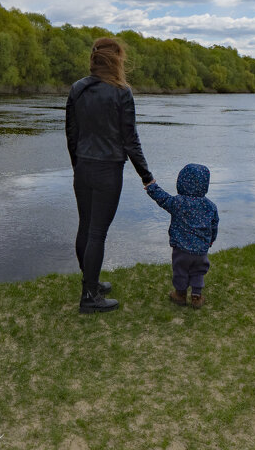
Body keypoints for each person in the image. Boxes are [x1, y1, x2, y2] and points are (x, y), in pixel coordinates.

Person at [65, 37, 153, 313]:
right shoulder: (121, 92)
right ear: (116, 60)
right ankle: (90, 296)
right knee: (97, 233)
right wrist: (146, 175)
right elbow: (130, 140)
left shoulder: (77, 89)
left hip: (83, 167)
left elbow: (71, 134)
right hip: (107, 170)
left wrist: (77, 164)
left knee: (86, 226)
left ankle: (90, 283)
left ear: (94, 59)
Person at [144, 163, 219, 309]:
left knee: (180, 271)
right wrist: (210, 241)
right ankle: (196, 296)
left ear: (181, 182)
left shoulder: (178, 202)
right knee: (198, 271)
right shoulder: (210, 206)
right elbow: (214, 226)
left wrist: (151, 186)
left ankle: (180, 294)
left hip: (181, 249)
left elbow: (163, 199)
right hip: (201, 251)